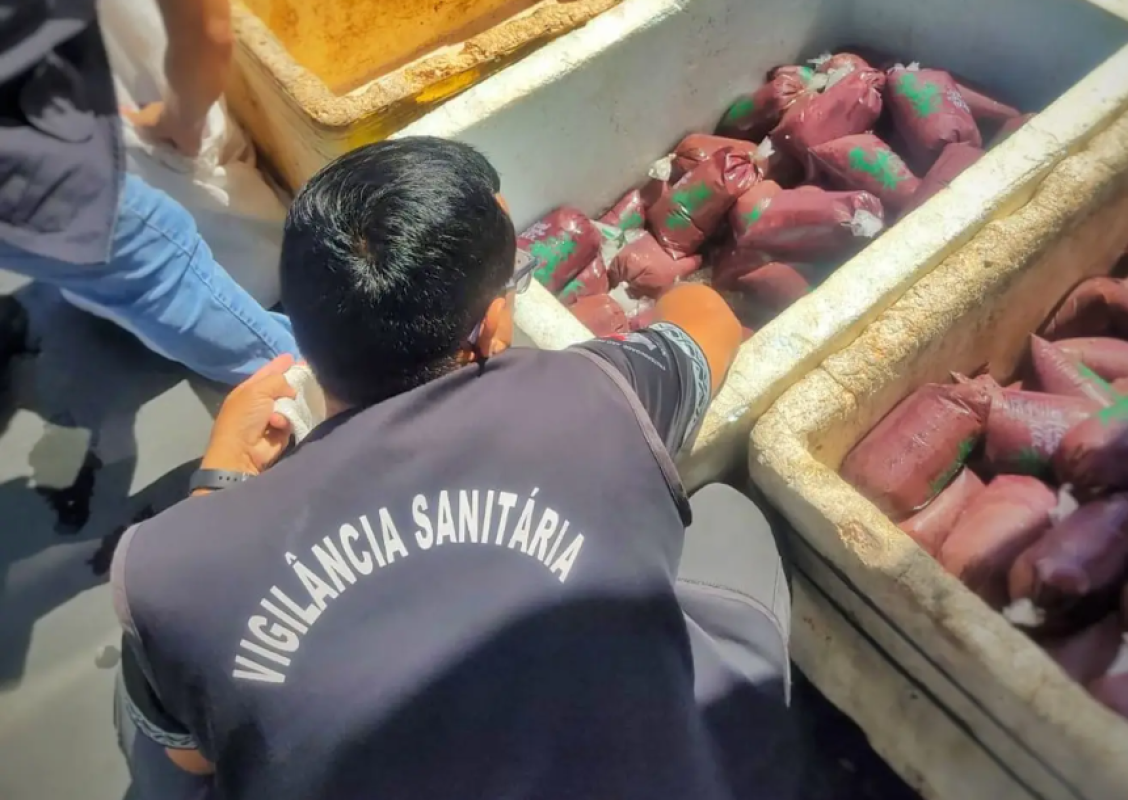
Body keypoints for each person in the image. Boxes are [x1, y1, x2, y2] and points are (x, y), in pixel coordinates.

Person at [111, 137, 800, 799]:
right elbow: (705, 317)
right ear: (494, 327)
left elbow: (190, 749)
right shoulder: (594, 395)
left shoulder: (170, 567)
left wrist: (215, 493)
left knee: (144, 712)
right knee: (727, 515)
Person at [0, 0, 297, 385]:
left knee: (134, 265)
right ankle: (335, 397)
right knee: (156, 273)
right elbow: (208, 28)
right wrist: (179, 119)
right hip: (32, 158)